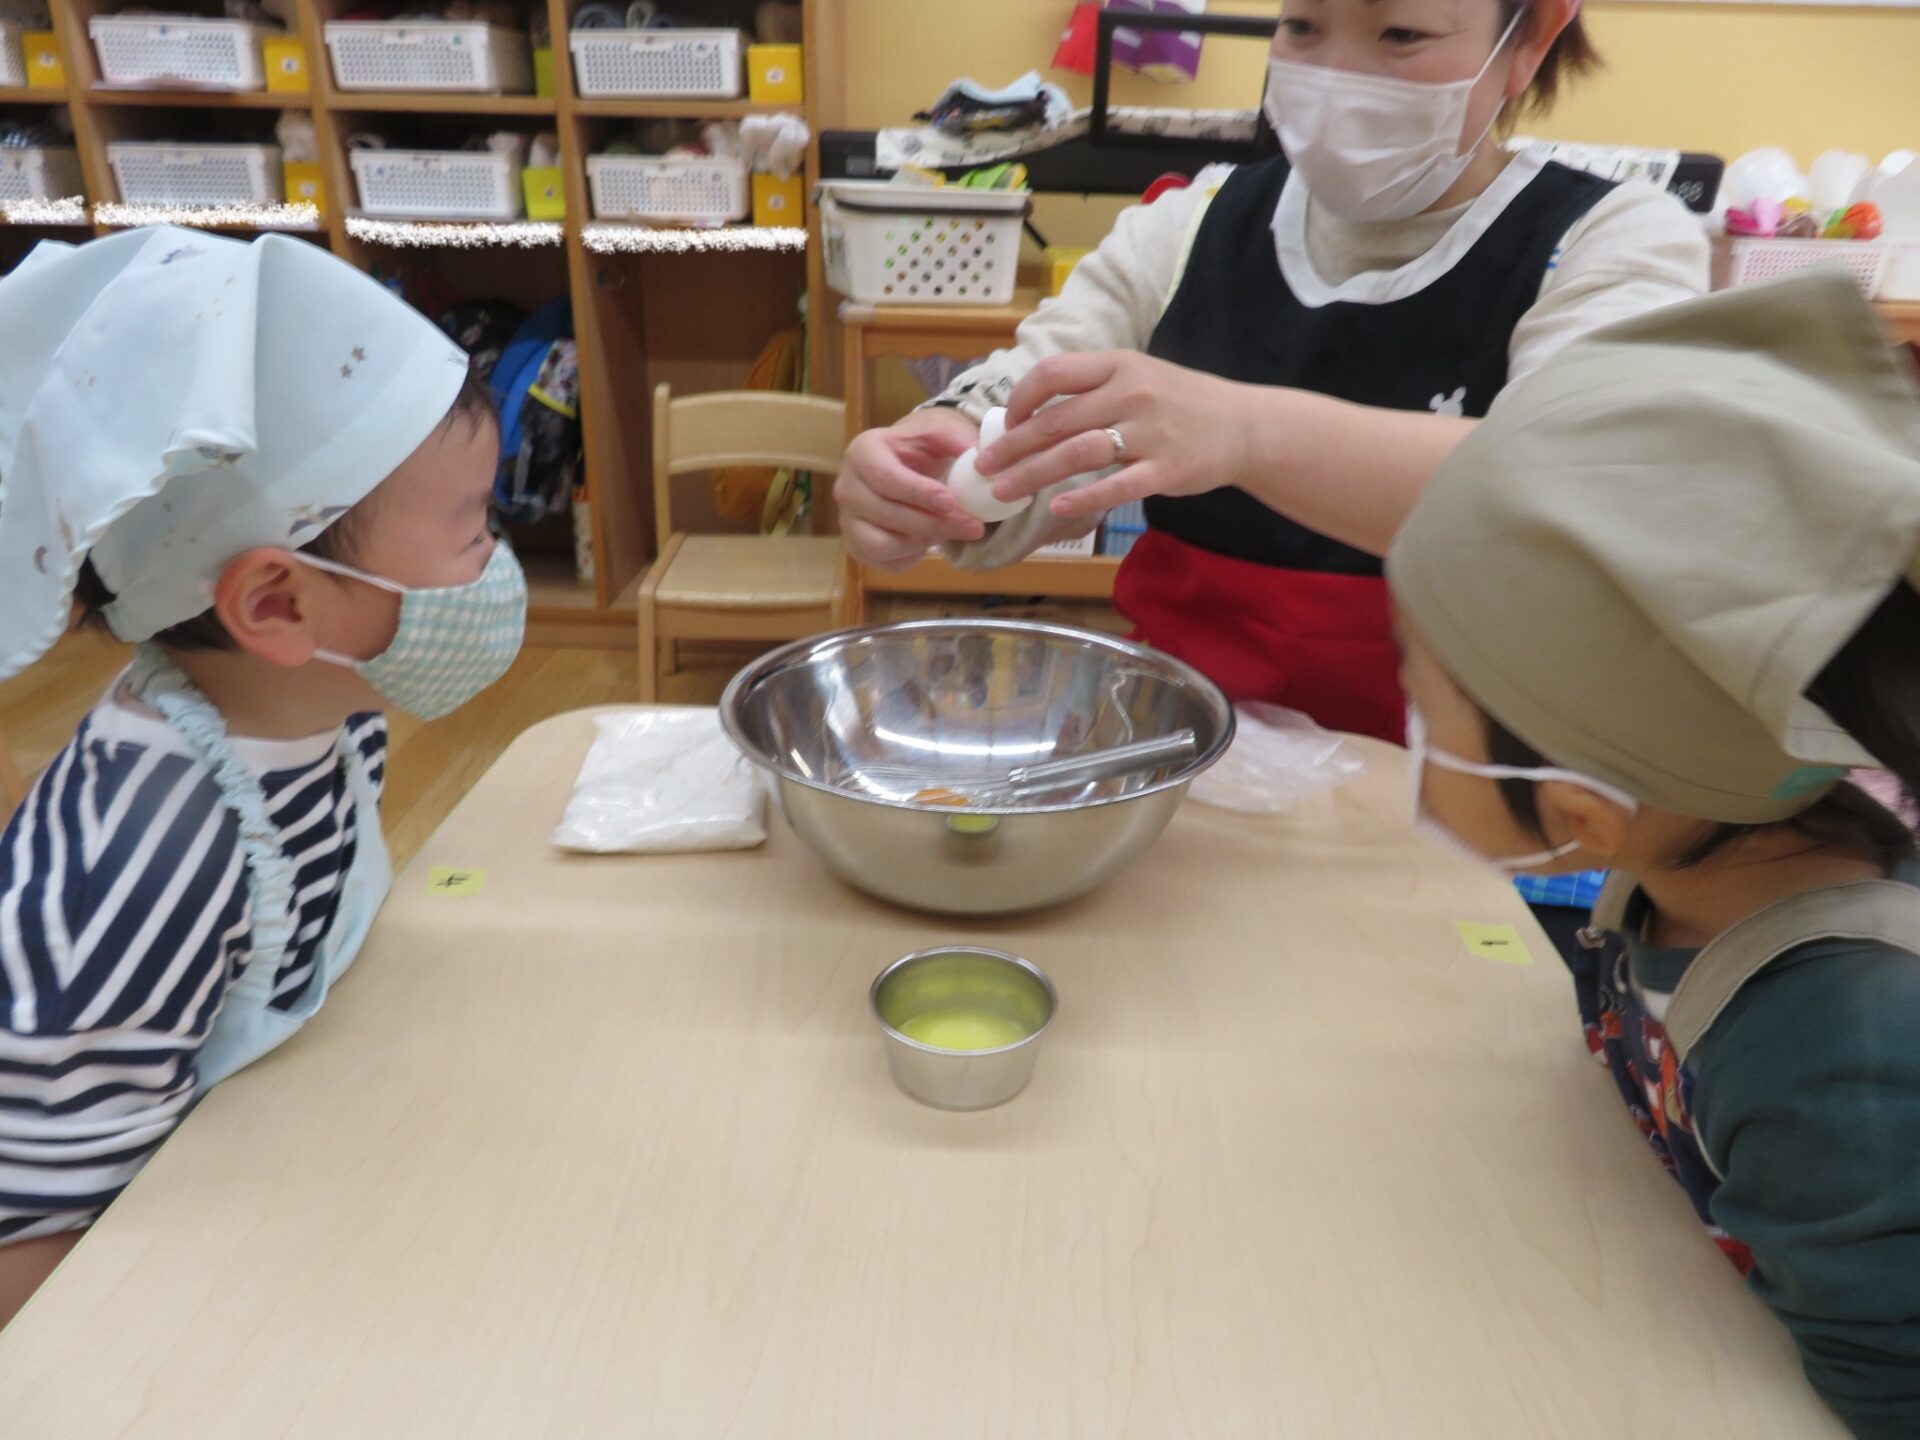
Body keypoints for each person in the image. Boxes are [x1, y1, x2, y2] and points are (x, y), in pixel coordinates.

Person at [836, 0, 1708, 748]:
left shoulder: (1609, 241)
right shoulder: (1193, 222)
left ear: (1528, 42)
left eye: (1400, 34)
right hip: (1195, 750)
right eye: (1302, 26)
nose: (1337, 76)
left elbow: (1570, 495)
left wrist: (1246, 433)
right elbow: (1036, 385)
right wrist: (944, 451)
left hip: (1468, 787)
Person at [1386, 270, 1920, 1437]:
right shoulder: (1687, 852)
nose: (1408, 729)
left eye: (1424, 702)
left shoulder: (1842, 1065)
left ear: (1580, 815)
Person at [0, 228, 525, 1324]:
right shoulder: (149, 860)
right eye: (474, 530)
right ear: (278, 603)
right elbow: (31, 1221)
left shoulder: (327, 717)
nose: (498, 561)